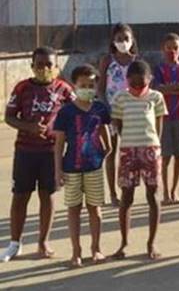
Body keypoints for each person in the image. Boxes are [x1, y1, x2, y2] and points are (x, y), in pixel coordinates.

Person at [2, 47, 74, 262]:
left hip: (51, 153)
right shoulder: (22, 88)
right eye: (39, 65)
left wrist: (65, 136)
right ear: (32, 66)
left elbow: (76, 112)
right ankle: (14, 243)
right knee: (20, 195)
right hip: (25, 151)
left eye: (48, 64)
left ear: (56, 66)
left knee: (47, 195)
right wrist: (29, 127)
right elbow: (9, 116)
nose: (44, 69)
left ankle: (43, 241)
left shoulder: (64, 89)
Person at [53, 64, 112, 267]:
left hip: (94, 166)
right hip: (71, 168)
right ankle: (76, 251)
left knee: (95, 208)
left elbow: (104, 129)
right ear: (74, 86)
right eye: (83, 85)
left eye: (91, 85)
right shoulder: (66, 112)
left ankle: (96, 248)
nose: (87, 89)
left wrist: (107, 148)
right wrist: (58, 170)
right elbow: (59, 143)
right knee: (74, 209)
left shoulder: (100, 108)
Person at [110, 60, 167, 260]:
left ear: (149, 79)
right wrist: (128, 142)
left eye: (141, 83)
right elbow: (118, 125)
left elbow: (159, 124)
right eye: (132, 83)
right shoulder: (120, 98)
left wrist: (156, 146)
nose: (137, 87)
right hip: (128, 151)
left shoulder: (156, 97)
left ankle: (151, 242)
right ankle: (124, 243)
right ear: (127, 80)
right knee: (126, 197)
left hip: (151, 150)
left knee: (153, 195)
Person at [152, 33, 179, 205]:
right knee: (165, 156)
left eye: (175, 48)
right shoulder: (159, 69)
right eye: (168, 48)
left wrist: (170, 88)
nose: (172, 51)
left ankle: (174, 190)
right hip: (163, 116)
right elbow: (157, 88)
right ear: (163, 49)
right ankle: (165, 192)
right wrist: (176, 88)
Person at [98, 23, 138, 206]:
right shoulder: (107, 60)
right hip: (110, 113)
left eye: (126, 39)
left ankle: (126, 190)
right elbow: (101, 89)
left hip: (130, 114)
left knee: (129, 154)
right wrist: (108, 112)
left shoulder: (136, 62)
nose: (123, 42)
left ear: (132, 40)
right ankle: (113, 194)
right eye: (119, 39)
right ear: (113, 41)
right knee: (110, 152)